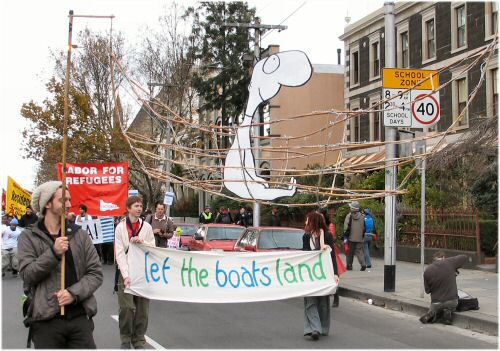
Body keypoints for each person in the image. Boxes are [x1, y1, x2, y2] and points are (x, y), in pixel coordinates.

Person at [17, 181, 103, 348]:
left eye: (70, 199)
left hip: (79, 317)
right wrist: (53, 253)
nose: (69, 204)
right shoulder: (29, 237)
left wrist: (73, 293)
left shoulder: (80, 235)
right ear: (47, 203)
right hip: (46, 320)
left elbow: (96, 273)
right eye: (63, 200)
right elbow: (27, 275)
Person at [115, 196, 155, 349]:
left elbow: (153, 246)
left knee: (142, 311)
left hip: (143, 273)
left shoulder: (147, 227)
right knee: (126, 308)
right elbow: (119, 253)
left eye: (141, 206)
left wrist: (142, 242)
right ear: (128, 208)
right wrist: (125, 276)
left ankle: (138, 340)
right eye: (136, 206)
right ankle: (125, 339)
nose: (139, 208)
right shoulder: (120, 228)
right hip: (126, 273)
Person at [302, 211, 339, 340]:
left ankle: (323, 328)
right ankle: (314, 328)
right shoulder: (306, 237)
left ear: (314, 222)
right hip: (310, 274)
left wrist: (335, 273)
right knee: (310, 301)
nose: (306, 223)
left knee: (323, 302)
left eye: (308, 220)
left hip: (323, 274)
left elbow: (332, 256)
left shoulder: (327, 235)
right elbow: (304, 255)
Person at [420, 251, 468, 325]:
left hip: (436, 302)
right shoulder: (449, 262)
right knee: (452, 305)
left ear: (434, 259)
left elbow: (427, 291)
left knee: (436, 307)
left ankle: (432, 313)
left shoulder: (427, 270)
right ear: (443, 258)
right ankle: (448, 311)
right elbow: (464, 257)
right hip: (452, 301)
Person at [318, 208, 342, 308]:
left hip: (330, 252)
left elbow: (331, 237)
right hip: (322, 253)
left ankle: (336, 297)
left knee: (333, 275)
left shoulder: (329, 226)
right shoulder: (318, 227)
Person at [343, 201, 366, 271]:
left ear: (352, 208)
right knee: (359, 251)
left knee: (349, 252)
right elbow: (364, 227)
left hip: (350, 237)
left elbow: (346, 227)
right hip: (360, 237)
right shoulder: (362, 216)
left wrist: (345, 236)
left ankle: (349, 266)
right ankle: (363, 264)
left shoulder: (349, 216)